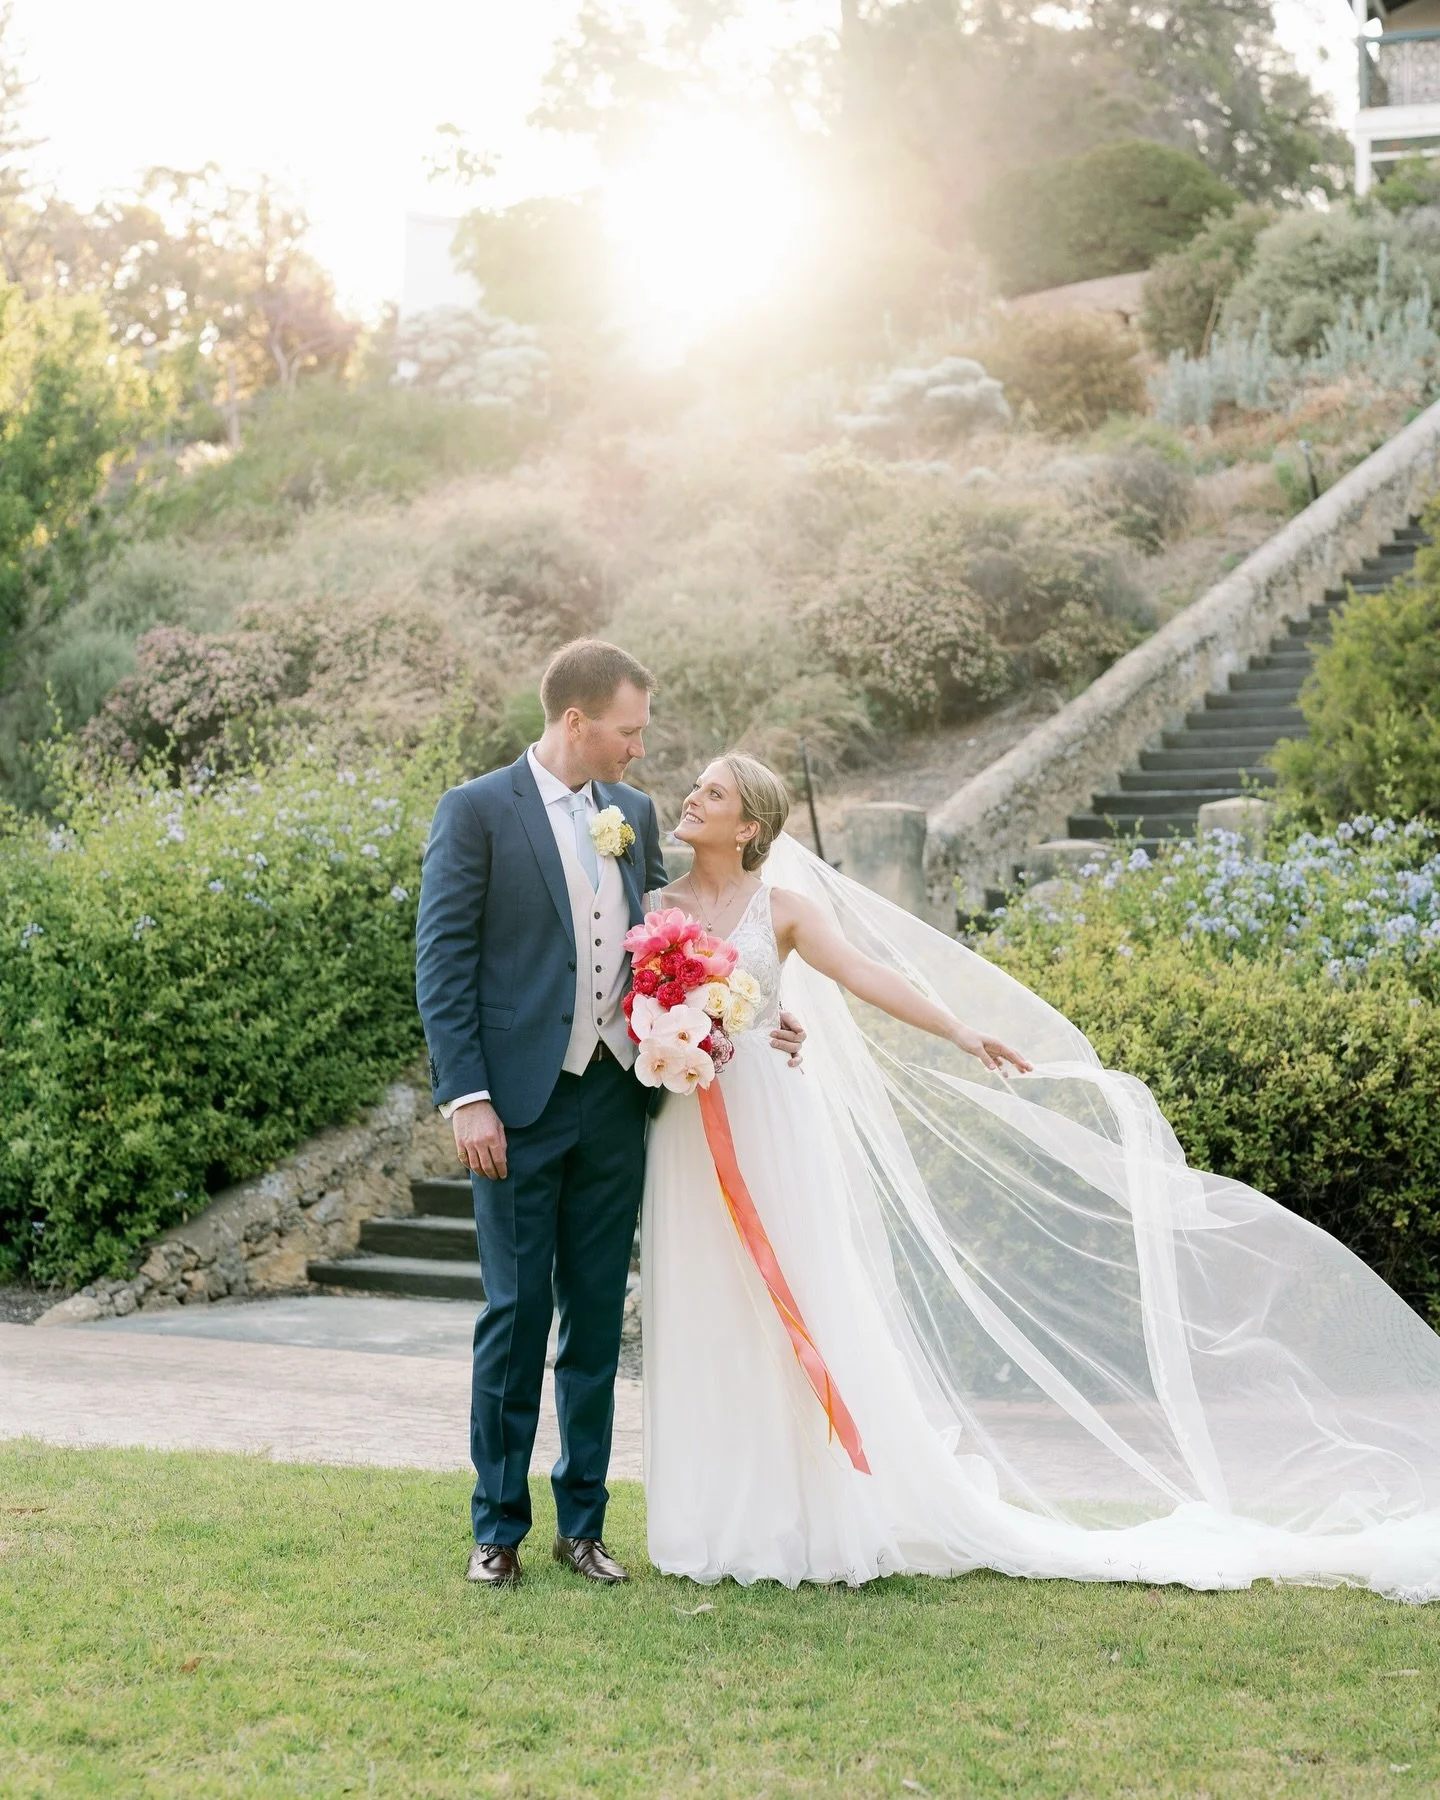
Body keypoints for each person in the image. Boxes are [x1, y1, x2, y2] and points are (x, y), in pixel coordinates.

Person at [641, 753, 1440, 1601]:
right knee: (704, 1304)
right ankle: (713, 1516)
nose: (692, 796)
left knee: (797, 1303)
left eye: (714, 792)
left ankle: (801, 1517)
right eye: (698, 786)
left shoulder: (786, 909)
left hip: (769, 1126)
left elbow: (865, 974)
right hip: (683, 1123)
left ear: (750, 825)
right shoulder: (656, 908)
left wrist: (959, 1030)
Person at [414, 643, 805, 1588]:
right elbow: (442, 963)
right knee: (516, 1315)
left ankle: (582, 1526)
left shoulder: (631, 814)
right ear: (577, 721)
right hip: (514, 1107)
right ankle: (496, 1529)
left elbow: (673, 946)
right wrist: (468, 1098)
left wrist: (751, 1013)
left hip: (616, 1097)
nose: (640, 748)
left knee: (594, 1320)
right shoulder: (475, 810)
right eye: (629, 730)